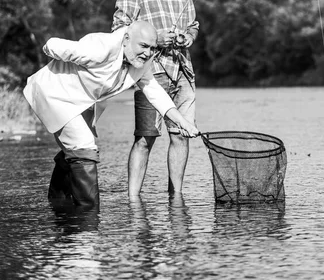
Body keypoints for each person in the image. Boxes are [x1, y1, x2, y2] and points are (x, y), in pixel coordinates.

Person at [23, 21, 198, 209]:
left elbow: (156, 94)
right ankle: (88, 217)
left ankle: (58, 203)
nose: (148, 53)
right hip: (55, 94)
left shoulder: (141, 62)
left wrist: (183, 123)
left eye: (152, 48)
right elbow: (52, 45)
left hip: (81, 101)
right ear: (126, 39)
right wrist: (54, 53)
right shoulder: (99, 48)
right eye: (143, 46)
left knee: (74, 150)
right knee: (84, 148)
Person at [111, 0, 199, 196]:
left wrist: (188, 37)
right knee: (145, 138)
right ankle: (133, 199)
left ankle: (177, 196)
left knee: (181, 135)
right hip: (150, 73)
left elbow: (193, 25)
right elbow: (119, 30)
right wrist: (157, 38)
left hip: (183, 72)